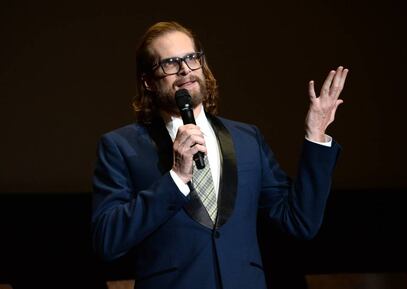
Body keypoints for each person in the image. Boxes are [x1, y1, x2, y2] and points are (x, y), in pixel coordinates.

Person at [92, 21, 348, 289]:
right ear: (148, 82)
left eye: (191, 58)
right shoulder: (121, 147)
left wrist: (316, 136)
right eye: (169, 63)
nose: (184, 70)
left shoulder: (248, 139)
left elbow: (299, 222)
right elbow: (107, 241)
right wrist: (176, 178)